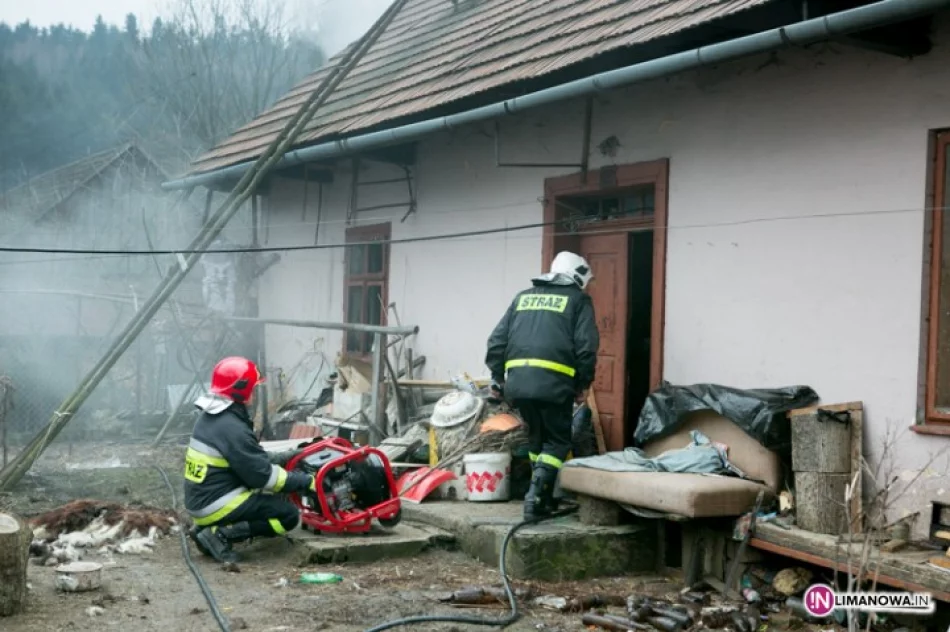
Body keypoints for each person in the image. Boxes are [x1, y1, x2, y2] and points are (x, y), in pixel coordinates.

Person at [485, 251, 600, 521]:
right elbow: (587, 347)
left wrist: (498, 377)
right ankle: (535, 499)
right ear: (578, 275)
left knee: (537, 440)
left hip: (519, 387)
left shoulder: (522, 297)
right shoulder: (578, 300)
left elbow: (496, 341)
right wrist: (582, 383)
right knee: (558, 442)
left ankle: (543, 498)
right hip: (555, 386)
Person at [184, 356, 314, 563]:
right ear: (241, 389)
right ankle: (221, 534)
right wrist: (307, 482)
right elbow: (262, 478)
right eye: (253, 388)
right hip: (217, 502)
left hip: (202, 500)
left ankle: (206, 529)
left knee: (269, 500)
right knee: (287, 514)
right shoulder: (232, 427)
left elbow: (247, 457)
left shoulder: (213, 418)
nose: (254, 393)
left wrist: (287, 456)